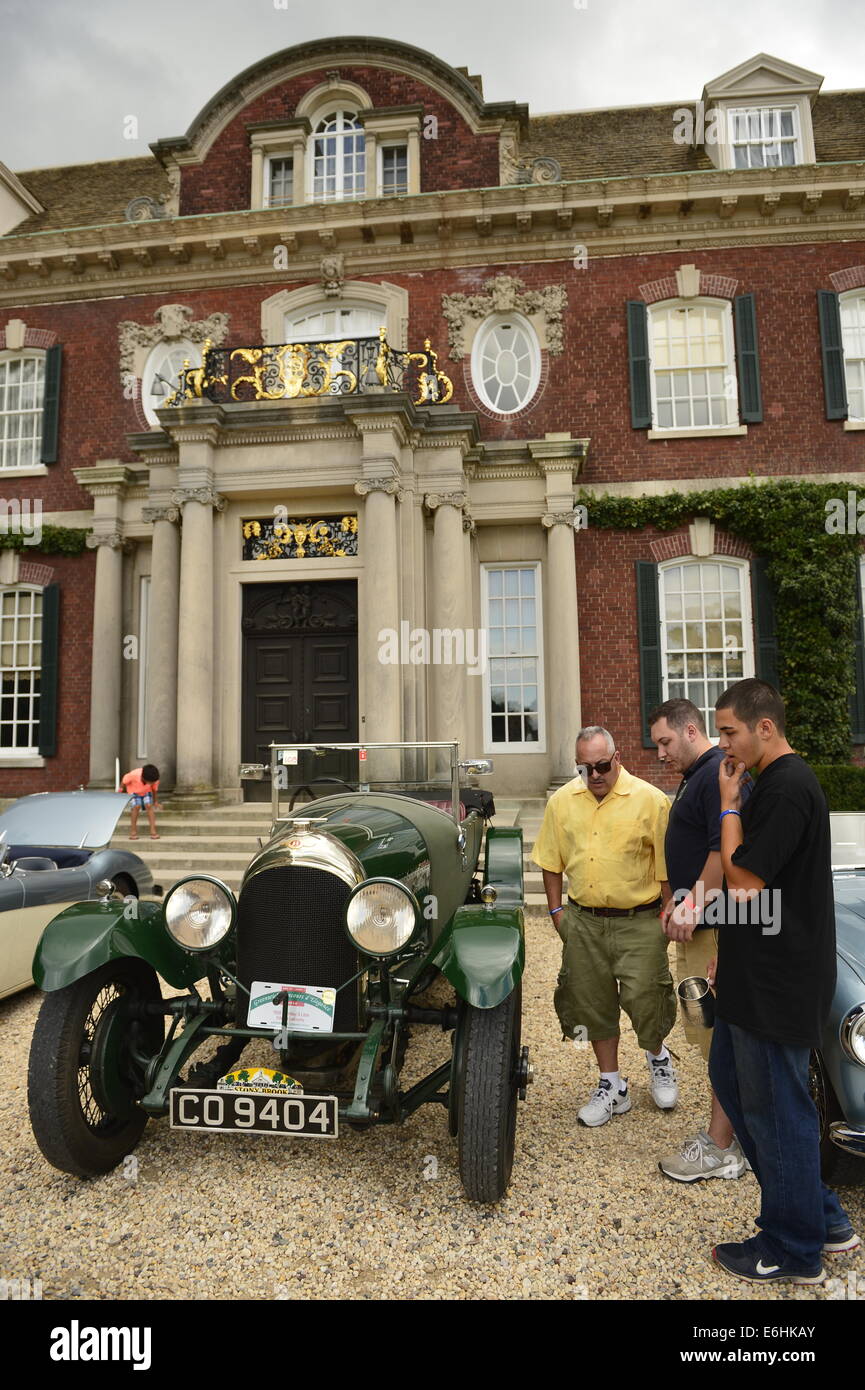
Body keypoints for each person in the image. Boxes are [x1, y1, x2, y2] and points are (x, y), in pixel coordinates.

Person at [708, 677, 858, 1283]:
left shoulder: (786, 788)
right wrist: (727, 950)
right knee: (734, 1082)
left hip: (779, 982)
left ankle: (793, 1249)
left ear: (764, 727)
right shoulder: (772, 784)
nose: (726, 746)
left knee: (779, 1110)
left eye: (730, 732)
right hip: (756, 973)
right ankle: (823, 1218)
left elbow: (745, 884)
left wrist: (727, 805)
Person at [532, 725, 677, 1127]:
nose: (593, 776)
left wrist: (668, 913)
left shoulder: (650, 800)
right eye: (584, 768)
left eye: (600, 766)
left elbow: (666, 866)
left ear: (617, 758)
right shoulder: (562, 802)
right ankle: (612, 1084)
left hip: (642, 920)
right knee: (592, 1004)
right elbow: (550, 860)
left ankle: (658, 1058)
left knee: (647, 996)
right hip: (583, 921)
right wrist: (556, 913)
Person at [649, 698, 749, 1182]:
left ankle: (724, 1147)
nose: (660, 753)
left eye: (666, 741)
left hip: (713, 930)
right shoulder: (700, 774)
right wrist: (679, 900)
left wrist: (693, 906)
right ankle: (731, 1136)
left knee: (719, 1038)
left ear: (691, 731)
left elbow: (720, 851)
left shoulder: (713, 773)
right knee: (708, 1037)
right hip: (699, 924)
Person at [121, 763, 162, 840]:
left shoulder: (154, 779)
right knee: (136, 806)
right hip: (134, 791)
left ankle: (153, 830)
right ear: (143, 778)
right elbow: (124, 781)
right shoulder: (134, 774)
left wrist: (155, 801)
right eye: (150, 782)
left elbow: (154, 790)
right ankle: (133, 831)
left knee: (149, 805)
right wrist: (120, 791)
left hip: (146, 792)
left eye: (153, 782)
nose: (152, 783)